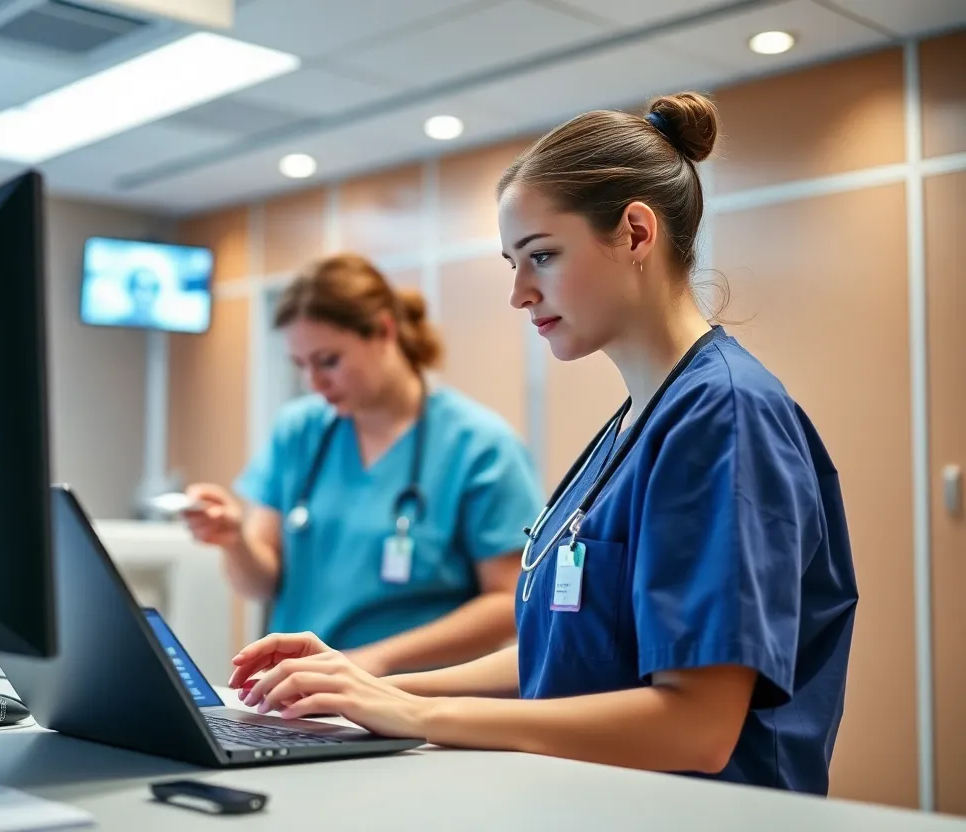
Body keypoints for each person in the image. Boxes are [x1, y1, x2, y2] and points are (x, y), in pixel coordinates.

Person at [226, 92, 859, 796]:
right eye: (512, 263)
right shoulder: (638, 422)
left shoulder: (724, 417)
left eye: (542, 256)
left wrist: (415, 711)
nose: (520, 293)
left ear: (636, 234)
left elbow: (696, 727)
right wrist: (363, 682)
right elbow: (558, 655)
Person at [183, 253, 542, 677]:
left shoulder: (478, 446)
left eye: (328, 361)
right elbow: (259, 584)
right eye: (301, 365)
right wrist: (234, 539)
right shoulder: (300, 431)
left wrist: (373, 660)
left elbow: (507, 602)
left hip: (414, 698)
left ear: (384, 332)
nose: (313, 383)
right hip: (301, 695)